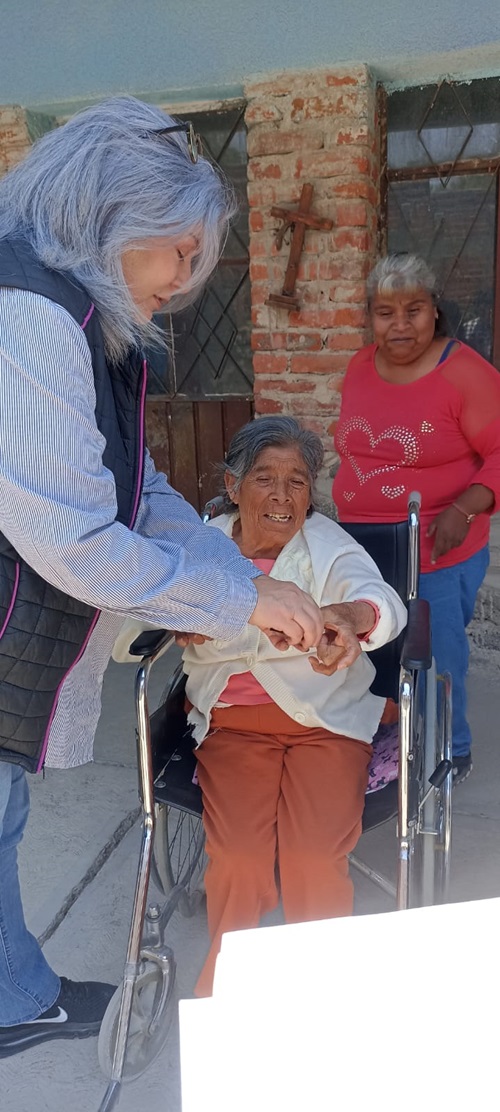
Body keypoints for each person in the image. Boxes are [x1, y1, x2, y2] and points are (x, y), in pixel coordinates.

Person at [0, 97, 326, 1057]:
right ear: (113, 217)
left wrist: (233, 575)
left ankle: (15, 994)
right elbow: (75, 538)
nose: (184, 280)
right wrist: (240, 597)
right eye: (178, 251)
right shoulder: (29, 318)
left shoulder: (82, 319)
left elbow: (136, 486)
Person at [176, 416, 407, 996]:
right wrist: (175, 618)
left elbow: (381, 599)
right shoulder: (201, 547)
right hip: (233, 729)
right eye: (264, 479)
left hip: (326, 723)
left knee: (312, 857)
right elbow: (133, 622)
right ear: (233, 486)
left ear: (310, 493)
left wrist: (351, 618)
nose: (282, 497)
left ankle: (317, 999)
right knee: (238, 858)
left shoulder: (326, 544)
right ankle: (229, 997)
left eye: (297, 482)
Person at [332, 253, 500, 785]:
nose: (400, 324)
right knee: (371, 648)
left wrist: (463, 509)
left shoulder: (465, 373)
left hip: (435, 548)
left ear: (435, 312)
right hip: (360, 544)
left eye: (414, 310)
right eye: (386, 312)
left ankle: (450, 750)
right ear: (370, 317)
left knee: (434, 654)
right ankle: (388, 738)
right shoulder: (359, 367)